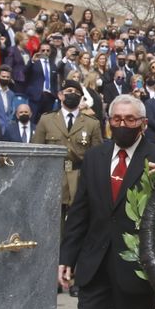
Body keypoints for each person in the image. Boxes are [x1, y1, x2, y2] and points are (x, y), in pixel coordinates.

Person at [58, 95, 155, 309]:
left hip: (136, 271)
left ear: (143, 123)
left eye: (130, 119)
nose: (123, 125)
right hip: (95, 268)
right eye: (117, 119)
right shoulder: (95, 157)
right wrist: (67, 257)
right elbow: (79, 212)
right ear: (109, 121)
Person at [35, 82, 102, 226]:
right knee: (51, 225)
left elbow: (98, 158)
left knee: (77, 225)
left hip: (79, 178)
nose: (73, 94)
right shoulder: (46, 120)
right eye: (69, 91)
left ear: (81, 98)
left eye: (77, 93)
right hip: (53, 178)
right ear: (60, 95)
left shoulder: (92, 123)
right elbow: (36, 153)